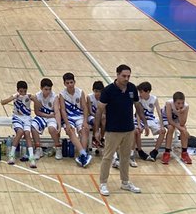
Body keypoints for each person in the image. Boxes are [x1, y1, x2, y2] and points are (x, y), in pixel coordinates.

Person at [98, 64, 144, 196]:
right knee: (107, 157)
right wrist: (97, 130)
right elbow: (100, 111)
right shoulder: (108, 91)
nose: (126, 78)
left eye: (128, 76)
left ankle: (125, 182)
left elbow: (137, 105)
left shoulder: (132, 88)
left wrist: (143, 122)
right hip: (113, 130)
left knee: (125, 157)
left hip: (129, 129)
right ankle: (103, 183)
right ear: (117, 75)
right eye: (124, 76)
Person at [0, 80, 40, 168]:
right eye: (21, 91)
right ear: (18, 90)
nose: (23, 93)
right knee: (20, 132)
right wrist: (13, 98)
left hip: (27, 118)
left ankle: (31, 158)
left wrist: (33, 98)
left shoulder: (28, 96)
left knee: (27, 134)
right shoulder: (15, 96)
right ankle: (11, 155)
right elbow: (3, 102)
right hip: (17, 117)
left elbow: (39, 104)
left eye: (24, 91)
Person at [57, 73, 92, 168]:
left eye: (71, 82)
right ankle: (83, 154)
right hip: (69, 117)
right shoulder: (62, 94)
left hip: (79, 116)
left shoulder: (80, 92)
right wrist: (67, 124)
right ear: (64, 84)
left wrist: (85, 121)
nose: (70, 84)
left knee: (84, 130)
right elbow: (63, 110)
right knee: (70, 130)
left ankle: (82, 155)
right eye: (67, 83)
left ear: (74, 82)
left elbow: (85, 108)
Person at [159, 92, 192, 166]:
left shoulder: (186, 107)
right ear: (174, 102)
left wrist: (180, 113)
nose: (180, 105)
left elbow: (182, 123)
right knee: (171, 128)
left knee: (184, 128)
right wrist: (182, 129)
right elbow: (170, 120)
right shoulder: (169, 103)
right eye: (178, 103)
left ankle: (184, 153)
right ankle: (167, 152)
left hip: (176, 119)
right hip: (166, 118)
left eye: (182, 103)